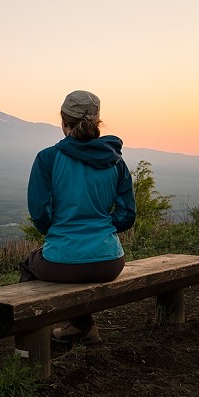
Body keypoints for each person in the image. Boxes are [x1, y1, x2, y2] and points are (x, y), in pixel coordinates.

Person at [19, 90, 136, 346]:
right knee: (72, 268)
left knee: (29, 264)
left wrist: (62, 231)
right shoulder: (116, 161)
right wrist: (102, 228)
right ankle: (83, 329)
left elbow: (39, 212)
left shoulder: (48, 158)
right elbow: (127, 214)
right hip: (110, 261)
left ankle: (31, 344)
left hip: (62, 260)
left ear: (63, 122)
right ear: (98, 123)